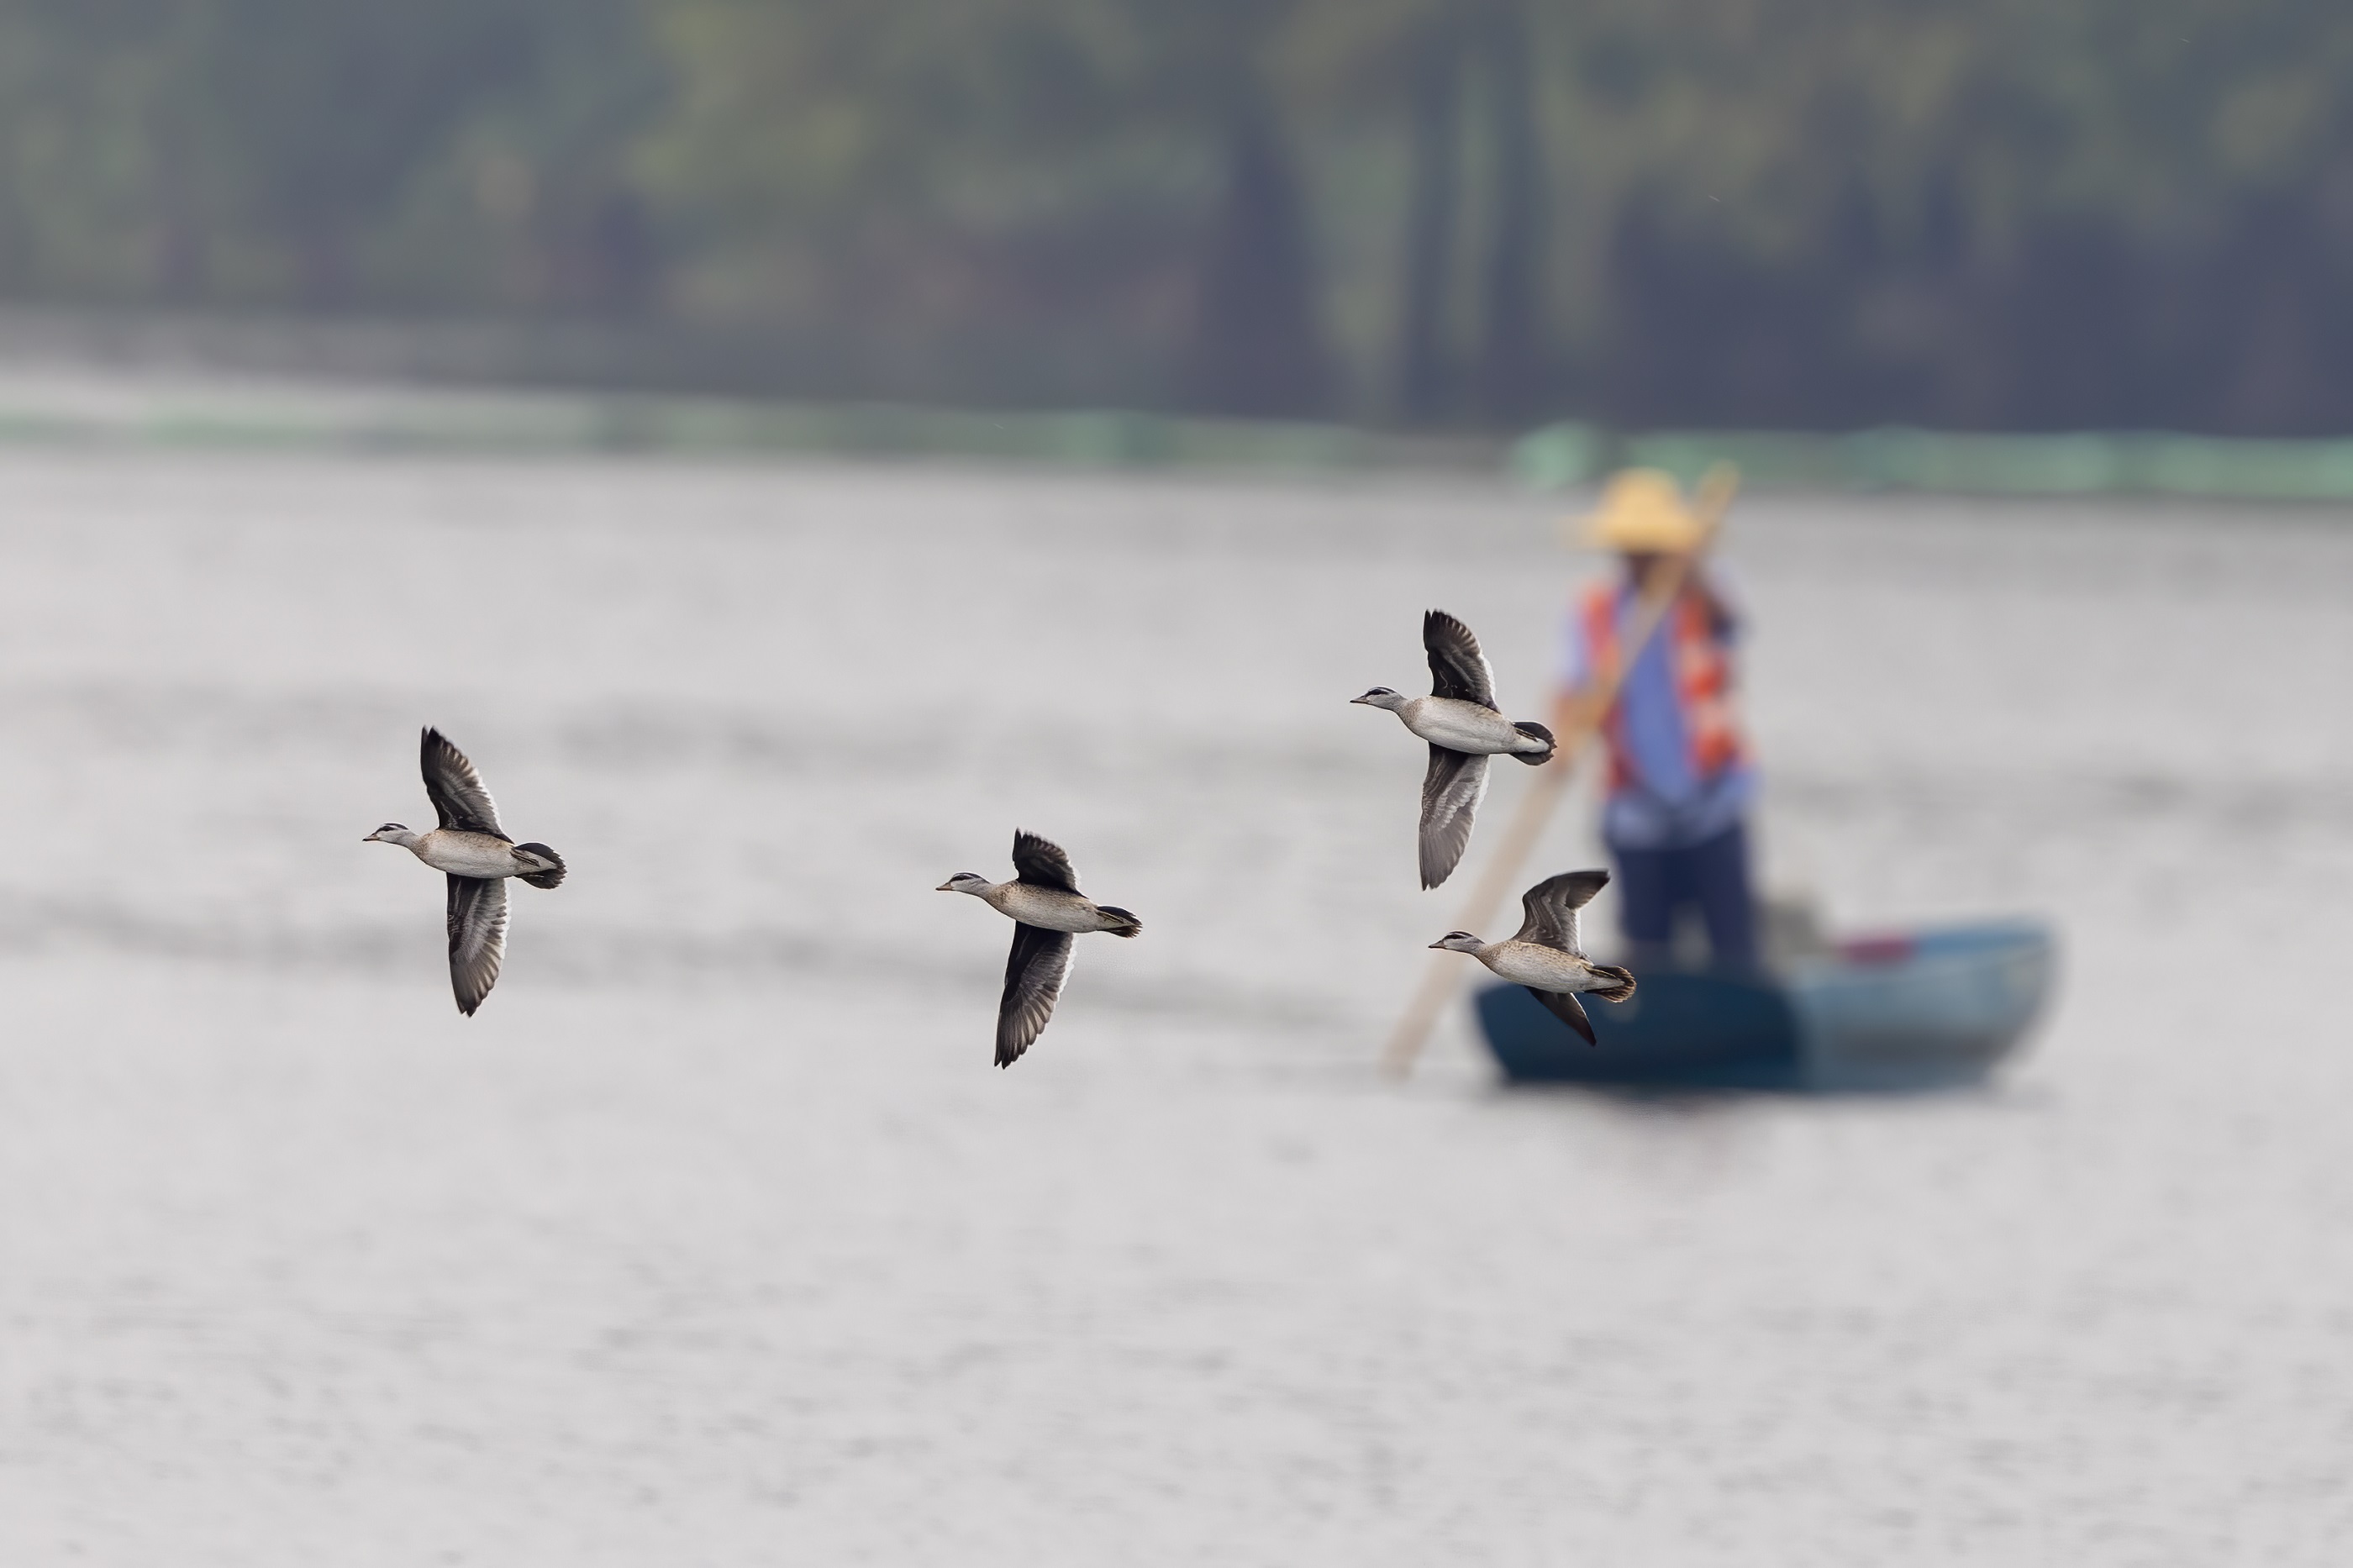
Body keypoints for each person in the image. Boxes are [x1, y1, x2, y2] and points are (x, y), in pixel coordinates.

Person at [1554, 468, 1759, 971]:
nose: (1640, 558)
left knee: (1733, 952)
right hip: (1637, 813)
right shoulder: (1597, 610)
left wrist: (1693, 571)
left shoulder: (1702, 593)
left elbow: (1730, 625)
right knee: (1648, 954)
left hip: (1712, 803)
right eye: (1631, 546)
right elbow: (1572, 689)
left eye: (1651, 546)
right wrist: (1559, 747)